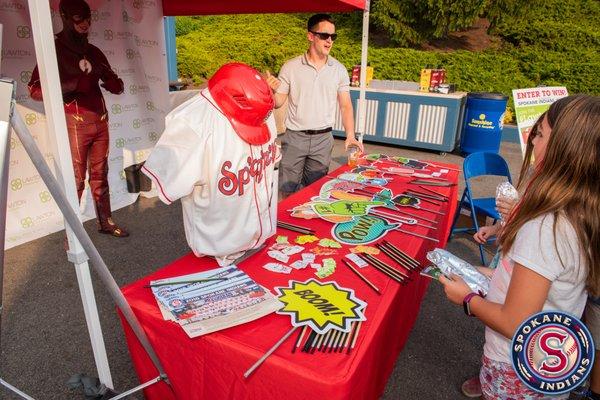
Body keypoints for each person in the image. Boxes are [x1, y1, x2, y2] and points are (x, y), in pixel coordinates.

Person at [441, 95, 600, 399]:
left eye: (540, 134)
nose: (533, 142)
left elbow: (515, 322)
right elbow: (546, 285)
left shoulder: (544, 226)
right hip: (545, 366)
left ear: (564, 149)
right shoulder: (582, 212)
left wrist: (467, 298)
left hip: (515, 367)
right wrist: (489, 274)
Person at [142, 63, 279, 266]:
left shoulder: (263, 114)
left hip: (264, 238)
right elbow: (165, 183)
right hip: (217, 254)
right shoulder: (192, 123)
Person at [28, 0, 128, 237]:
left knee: (100, 174)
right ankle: (72, 233)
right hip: (76, 123)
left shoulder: (93, 51)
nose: (85, 24)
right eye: (78, 19)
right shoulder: (54, 50)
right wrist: (73, 85)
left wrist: (113, 83)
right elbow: (34, 89)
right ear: (64, 17)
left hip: (100, 121)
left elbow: (115, 82)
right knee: (75, 179)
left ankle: (105, 221)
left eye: (88, 18)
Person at [266, 13, 364, 198]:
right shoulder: (290, 67)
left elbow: (345, 106)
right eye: (324, 36)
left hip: (323, 139)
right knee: (287, 191)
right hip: (295, 138)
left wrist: (350, 135)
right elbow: (278, 102)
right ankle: (286, 226)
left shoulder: (339, 69)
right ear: (310, 36)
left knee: (316, 192)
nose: (329, 41)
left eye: (333, 37)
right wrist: (270, 91)